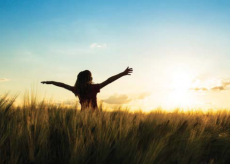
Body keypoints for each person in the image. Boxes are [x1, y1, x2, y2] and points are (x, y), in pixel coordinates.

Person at [41, 67, 133, 111]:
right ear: (89, 78)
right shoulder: (94, 88)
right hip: (96, 117)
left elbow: (62, 84)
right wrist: (122, 73)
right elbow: (109, 80)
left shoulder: (76, 89)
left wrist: (50, 82)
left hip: (83, 117)